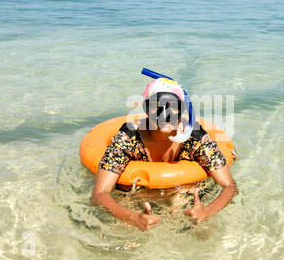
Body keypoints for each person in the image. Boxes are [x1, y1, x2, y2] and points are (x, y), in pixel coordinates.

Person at [91, 78, 237, 231]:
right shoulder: (129, 135)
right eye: (156, 106)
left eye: (173, 106)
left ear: (182, 109)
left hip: (181, 194)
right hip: (137, 196)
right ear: (146, 109)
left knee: (203, 233)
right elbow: (99, 194)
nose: (165, 114)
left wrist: (208, 211)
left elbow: (230, 186)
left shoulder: (194, 135)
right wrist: (132, 217)